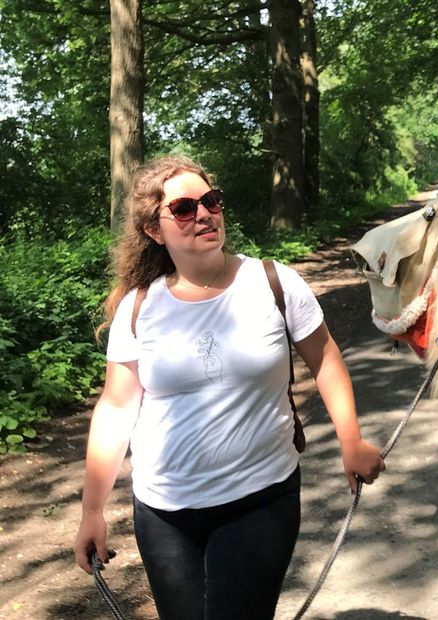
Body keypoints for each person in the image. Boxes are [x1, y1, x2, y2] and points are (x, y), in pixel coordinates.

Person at [73, 155, 386, 620]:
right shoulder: (139, 307)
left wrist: (351, 441)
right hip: (162, 510)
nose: (203, 214)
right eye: (183, 208)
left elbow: (325, 361)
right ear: (154, 231)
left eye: (210, 201)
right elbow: (117, 407)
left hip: (259, 497)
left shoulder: (274, 283)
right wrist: (92, 511)